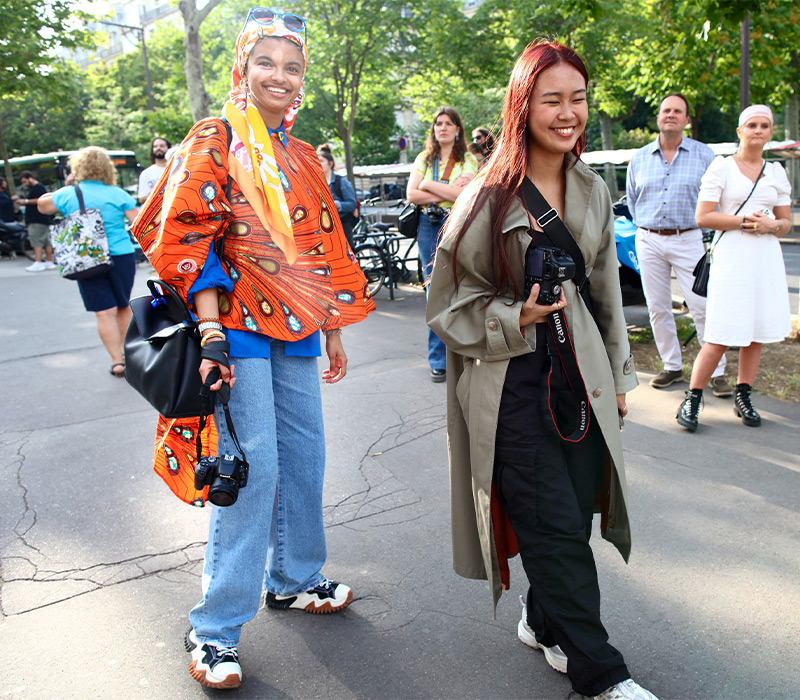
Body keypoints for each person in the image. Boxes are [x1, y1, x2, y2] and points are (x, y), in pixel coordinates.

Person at [131, 8, 374, 690]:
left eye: (292, 67)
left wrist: (332, 328)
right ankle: (214, 629)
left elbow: (324, 249)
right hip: (236, 329)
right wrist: (209, 332)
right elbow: (189, 237)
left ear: (302, 80)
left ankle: (295, 578)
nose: (280, 75)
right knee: (255, 468)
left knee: (306, 460)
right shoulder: (214, 137)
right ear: (242, 67)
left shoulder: (300, 155)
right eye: (266, 62)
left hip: (297, 329)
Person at [427, 40, 658, 700]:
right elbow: (446, 303)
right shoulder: (487, 198)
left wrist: (618, 377)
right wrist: (513, 315)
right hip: (511, 387)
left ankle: (541, 618)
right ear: (522, 107)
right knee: (554, 527)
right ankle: (602, 673)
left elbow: (607, 290)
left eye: (578, 99)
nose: (567, 113)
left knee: (572, 517)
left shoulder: (592, 187)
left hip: (579, 376)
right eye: (551, 99)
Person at [676, 105, 792, 432]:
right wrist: (746, 223)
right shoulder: (722, 167)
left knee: (754, 332)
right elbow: (704, 217)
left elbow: (786, 223)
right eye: (752, 125)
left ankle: (744, 395)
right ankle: (692, 398)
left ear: (770, 132)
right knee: (720, 333)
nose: (758, 130)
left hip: (765, 259)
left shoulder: (776, 172)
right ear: (740, 131)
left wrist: (772, 225)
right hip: (732, 257)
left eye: (765, 125)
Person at [626, 94, 730, 395]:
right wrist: (648, 228)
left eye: (678, 111)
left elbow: (718, 200)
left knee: (702, 305)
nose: (671, 115)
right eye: (666, 110)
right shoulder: (640, 157)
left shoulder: (704, 156)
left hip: (689, 237)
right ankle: (671, 366)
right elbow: (633, 201)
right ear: (658, 118)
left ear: (686, 120)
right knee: (658, 307)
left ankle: (716, 372)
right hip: (648, 238)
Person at [38, 148, 138, 376]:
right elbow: (138, 222)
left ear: (78, 168)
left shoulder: (68, 194)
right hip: (121, 255)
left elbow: (42, 205)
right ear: (107, 168)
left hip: (86, 257)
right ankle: (130, 356)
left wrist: (68, 183)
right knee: (123, 306)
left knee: (104, 311)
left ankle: (116, 361)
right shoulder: (117, 193)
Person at [406, 106, 478, 382]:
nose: (443, 127)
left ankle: (464, 353)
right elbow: (411, 195)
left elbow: (464, 196)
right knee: (433, 292)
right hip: (428, 226)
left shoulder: (469, 159)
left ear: (458, 129)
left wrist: (427, 184)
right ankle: (438, 359)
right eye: (438, 123)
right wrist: (443, 190)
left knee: (461, 287)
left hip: (457, 223)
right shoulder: (424, 157)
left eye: (448, 123)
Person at [15, 171, 55, 271]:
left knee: (36, 241)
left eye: (25, 181)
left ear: (30, 178)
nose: (24, 184)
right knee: (46, 241)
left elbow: (39, 200)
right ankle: (49, 261)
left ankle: (38, 262)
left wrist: (26, 201)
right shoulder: (39, 187)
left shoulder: (37, 187)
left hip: (36, 219)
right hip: (42, 218)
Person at [317, 149, 357, 248]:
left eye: (321, 161)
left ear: (330, 163)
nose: (318, 163)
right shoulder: (316, 182)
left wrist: (336, 204)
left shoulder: (341, 181)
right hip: (324, 228)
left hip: (341, 226)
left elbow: (352, 204)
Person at [137, 137, 172, 204]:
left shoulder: (176, 170)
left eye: (162, 146)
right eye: (155, 146)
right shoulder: (146, 173)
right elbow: (141, 199)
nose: (158, 148)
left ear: (169, 148)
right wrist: (158, 192)